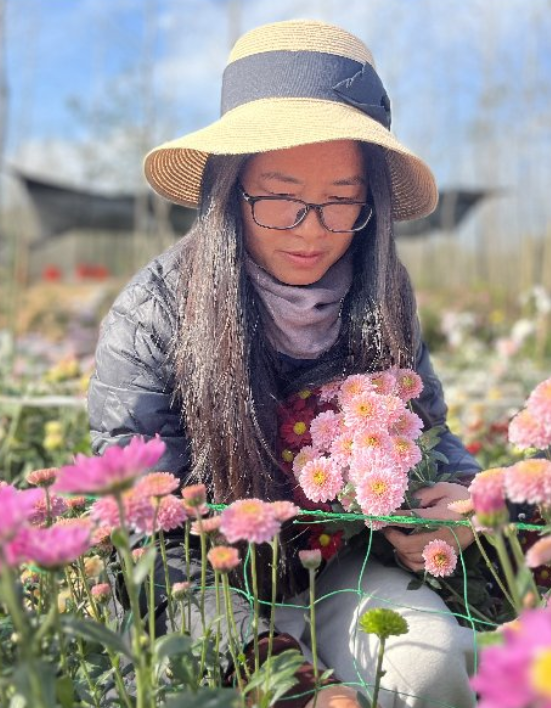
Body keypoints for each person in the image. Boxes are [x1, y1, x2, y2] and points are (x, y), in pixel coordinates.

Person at [88, 19, 481, 708]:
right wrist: (275, 668)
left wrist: (456, 502)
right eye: (279, 197)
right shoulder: (155, 312)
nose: (312, 230)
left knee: (429, 667)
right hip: (202, 586)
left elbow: (430, 431)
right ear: (228, 190)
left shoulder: (384, 294)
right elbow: (145, 529)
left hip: (344, 567)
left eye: (341, 201)